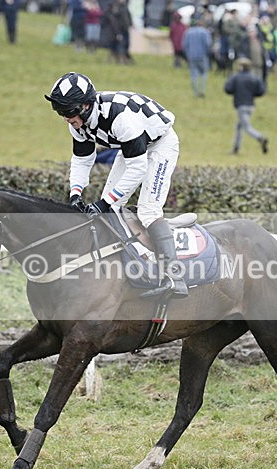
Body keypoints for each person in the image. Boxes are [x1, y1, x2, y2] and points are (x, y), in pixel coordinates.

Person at [44, 71, 187, 299]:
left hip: (160, 145)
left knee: (148, 211)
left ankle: (175, 277)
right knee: (111, 209)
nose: (66, 118)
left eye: (69, 111)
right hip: (130, 149)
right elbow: (82, 159)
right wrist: (75, 194)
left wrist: (103, 202)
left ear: (86, 106)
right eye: (60, 112)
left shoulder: (121, 119)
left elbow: (138, 169)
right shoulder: (77, 124)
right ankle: (127, 265)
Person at [224, 57, 268, 155]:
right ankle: (236, 148)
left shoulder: (236, 77)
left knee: (247, 127)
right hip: (250, 105)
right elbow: (261, 91)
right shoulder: (254, 77)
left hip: (240, 105)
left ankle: (260, 137)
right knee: (239, 127)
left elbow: (227, 89)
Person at [181, 18, 212, 98]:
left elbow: (184, 45)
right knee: (204, 73)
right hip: (202, 56)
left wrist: (187, 54)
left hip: (191, 56)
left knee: (193, 74)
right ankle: (202, 90)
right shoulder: (204, 32)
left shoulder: (188, 32)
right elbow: (208, 44)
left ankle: (195, 92)